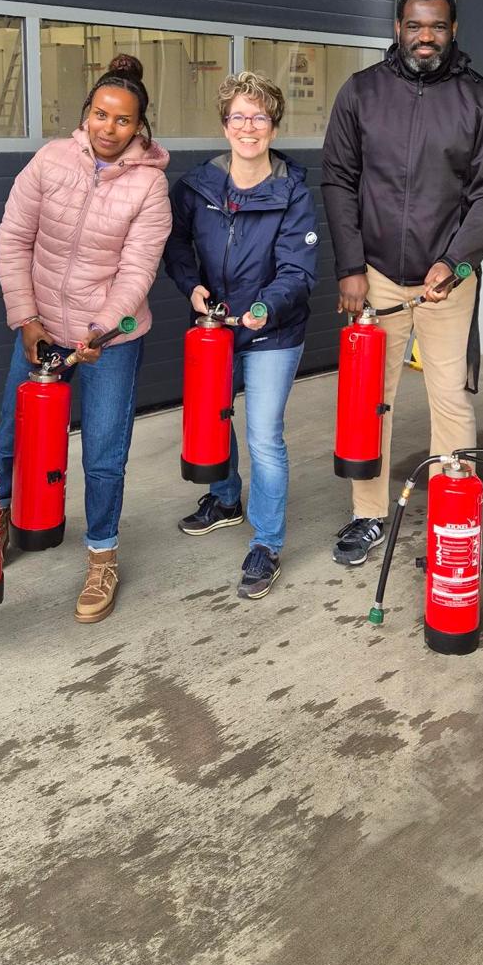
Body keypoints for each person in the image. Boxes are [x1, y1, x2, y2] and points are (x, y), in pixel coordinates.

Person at [321, 0, 483, 566]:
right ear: (398, 27)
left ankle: (452, 512)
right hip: (376, 274)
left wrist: (455, 262)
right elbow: (337, 180)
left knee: (448, 394)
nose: (424, 37)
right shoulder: (362, 92)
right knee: (368, 399)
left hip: (446, 281)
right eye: (414, 25)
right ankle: (368, 514)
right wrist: (351, 268)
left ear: (453, 30)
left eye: (436, 26)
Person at [0, 55, 171, 623]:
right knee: (8, 439)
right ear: (85, 114)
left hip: (108, 341)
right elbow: (14, 239)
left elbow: (137, 271)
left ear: (139, 127)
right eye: (100, 114)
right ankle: (0, 523)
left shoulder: (151, 186)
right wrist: (25, 319)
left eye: (123, 121)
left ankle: (101, 556)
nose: (108, 128)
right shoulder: (50, 160)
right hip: (40, 330)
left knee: (102, 454)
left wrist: (102, 328)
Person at [164, 71, 318, 599]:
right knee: (213, 417)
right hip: (212, 328)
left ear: (273, 126)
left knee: (264, 438)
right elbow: (177, 246)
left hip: (272, 331)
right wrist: (192, 287)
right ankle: (226, 499)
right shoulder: (197, 185)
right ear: (224, 124)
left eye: (259, 117)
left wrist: (262, 307)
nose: (248, 127)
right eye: (238, 117)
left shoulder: (292, 191)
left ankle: (267, 543)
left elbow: (298, 270)